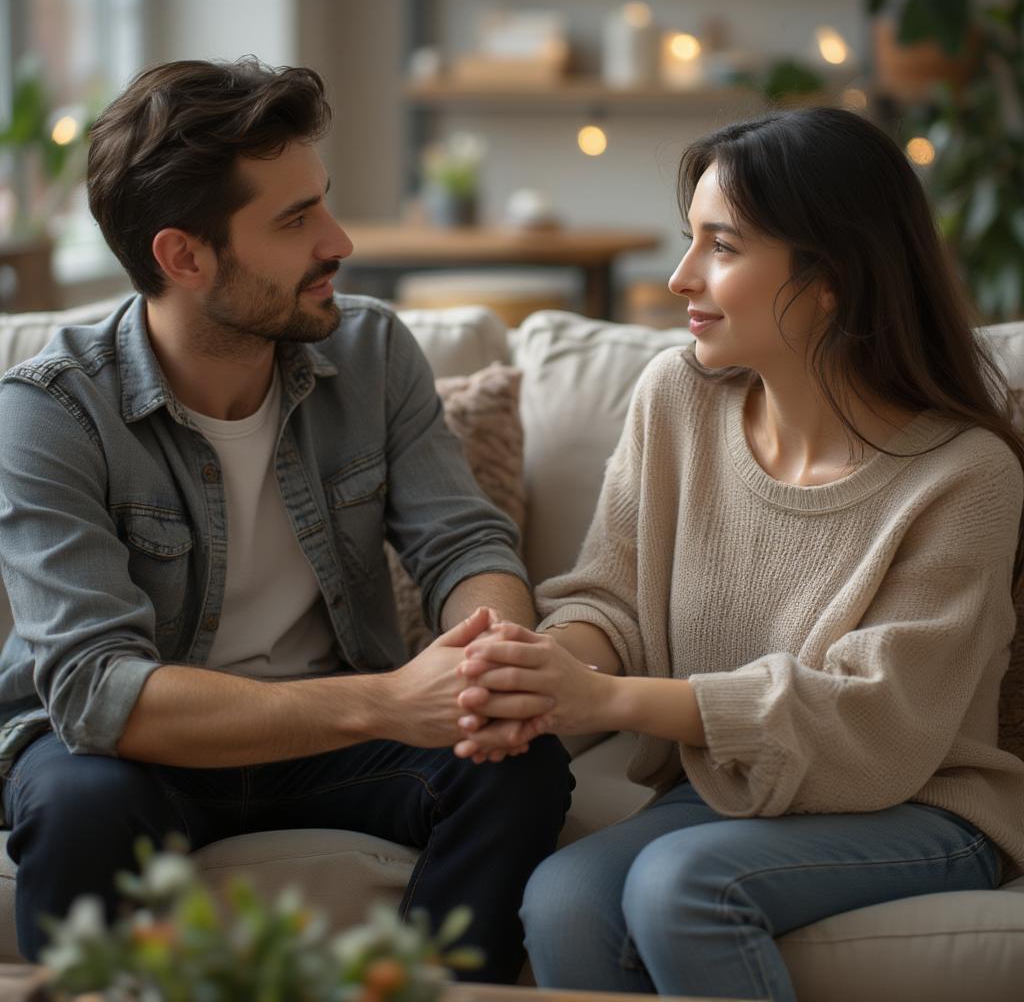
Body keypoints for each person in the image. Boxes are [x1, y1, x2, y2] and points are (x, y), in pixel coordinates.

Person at [0, 58, 571, 979]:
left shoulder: (374, 349)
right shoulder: (50, 410)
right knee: (78, 807)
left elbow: (463, 541)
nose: (338, 241)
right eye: (295, 220)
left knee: (518, 768)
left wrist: (487, 657)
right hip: (137, 754)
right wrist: (388, 701)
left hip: (328, 747)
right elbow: (102, 691)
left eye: (324, 204)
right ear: (183, 257)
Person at [452, 107, 1024, 1001]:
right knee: (565, 897)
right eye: (692, 241)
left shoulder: (966, 474)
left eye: (721, 246)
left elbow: (879, 725)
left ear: (831, 275)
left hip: (922, 806)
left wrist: (607, 698)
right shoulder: (676, 398)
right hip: (732, 793)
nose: (681, 277)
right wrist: (539, 666)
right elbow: (613, 601)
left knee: (685, 890)